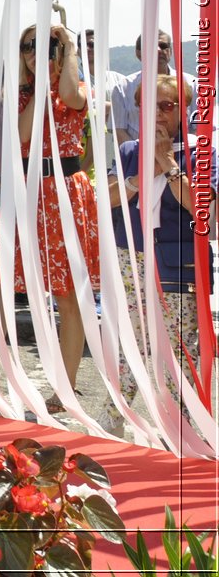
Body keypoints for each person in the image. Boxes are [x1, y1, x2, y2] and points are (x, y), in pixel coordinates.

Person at [0, 23, 97, 413]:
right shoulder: (18, 93)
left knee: (68, 296)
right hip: (28, 192)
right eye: (27, 46)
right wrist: (38, 87)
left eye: (45, 45)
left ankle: (67, 387)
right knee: (3, 280)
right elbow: (23, 137)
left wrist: (69, 47)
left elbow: (72, 96)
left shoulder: (77, 90)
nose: (34, 52)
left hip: (65, 192)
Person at [106, 74, 212, 433]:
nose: (157, 114)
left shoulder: (202, 151)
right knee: (129, 344)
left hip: (176, 261)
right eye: (149, 104)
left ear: (184, 109)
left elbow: (202, 210)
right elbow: (105, 199)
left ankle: (184, 427)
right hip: (130, 259)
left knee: (180, 351)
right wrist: (142, 173)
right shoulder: (128, 151)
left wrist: (168, 164)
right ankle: (114, 416)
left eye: (167, 105)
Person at [112, 30, 194, 145]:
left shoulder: (191, 84)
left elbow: (199, 125)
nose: (158, 50)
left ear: (170, 51)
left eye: (163, 46)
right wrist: (142, 156)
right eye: (151, 45)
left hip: (184, 157)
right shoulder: (122, 88)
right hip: (138, 158)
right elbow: (119, 130)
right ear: (138, 53)